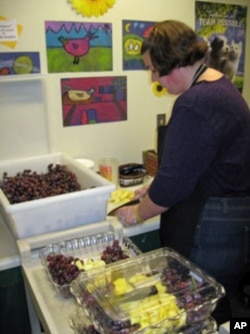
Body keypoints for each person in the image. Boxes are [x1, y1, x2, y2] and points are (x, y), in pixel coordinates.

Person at [117, 19, 250, 325]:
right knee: (218, 301)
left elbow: (173, 188)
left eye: (153, 69)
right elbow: (196, 165)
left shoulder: (196, 102)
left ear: (173, 64)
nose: (154, 78)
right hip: (233, 221)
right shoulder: (221, 85)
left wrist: (137, 213)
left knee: (200, 309)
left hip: (212, 227)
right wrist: (151, 190)